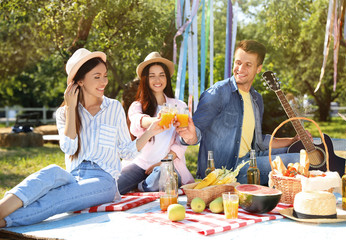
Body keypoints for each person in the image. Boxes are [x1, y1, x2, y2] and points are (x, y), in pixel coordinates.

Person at [0, 48, 162, 227]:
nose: (104, 82)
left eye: (105, 76)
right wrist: (70, 109)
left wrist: (151, 132)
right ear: (80, 81)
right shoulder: (64, 113)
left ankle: (5, 221)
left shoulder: (114, 108)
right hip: (74, 176)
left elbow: (127, 152)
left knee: (58, 197)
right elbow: (69, 148)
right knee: (49, 173)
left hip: (104, 181)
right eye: (97, 76)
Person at [176, 40, 301, 185]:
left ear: (258, 68)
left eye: (248, 65)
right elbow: (195, 133)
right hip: (227, 172)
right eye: (238, 62)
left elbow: (258, 142)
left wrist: (292, 141)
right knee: (296, 161)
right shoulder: (217, 93)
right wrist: (189, 136)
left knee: (300, 152)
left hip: (251, 160)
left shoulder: (256, 99)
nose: (240, 69)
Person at [117, 52, 195, 194]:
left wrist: (163, 162)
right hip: (139, 164)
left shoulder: (178, 105)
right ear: (145, 79)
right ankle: (141, 184)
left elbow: (181, 143)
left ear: (167, 78)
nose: (157, 79)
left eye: (161, 75)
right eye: (152, 76)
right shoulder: (137, 105)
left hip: (165, 165)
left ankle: (141, 186)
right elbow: (137, 122)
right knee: (115, 186)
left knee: (161, 176)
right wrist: (154, 122)